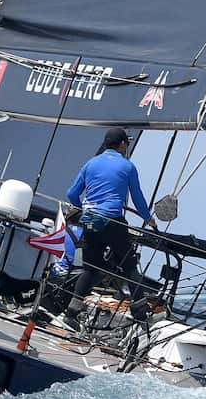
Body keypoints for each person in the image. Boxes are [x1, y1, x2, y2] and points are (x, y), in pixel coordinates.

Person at [59, 128, 157, 329]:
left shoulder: (91, 163)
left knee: (90, 268)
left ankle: (71, 313)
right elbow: (137, 198)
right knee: (129, 267)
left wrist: (82, 207)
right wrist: (149, 219)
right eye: (126, 144)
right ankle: (140, 315)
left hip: (90, 220)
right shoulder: (128, 166)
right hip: (112, 221)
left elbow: (71, 193)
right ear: (122, 144)